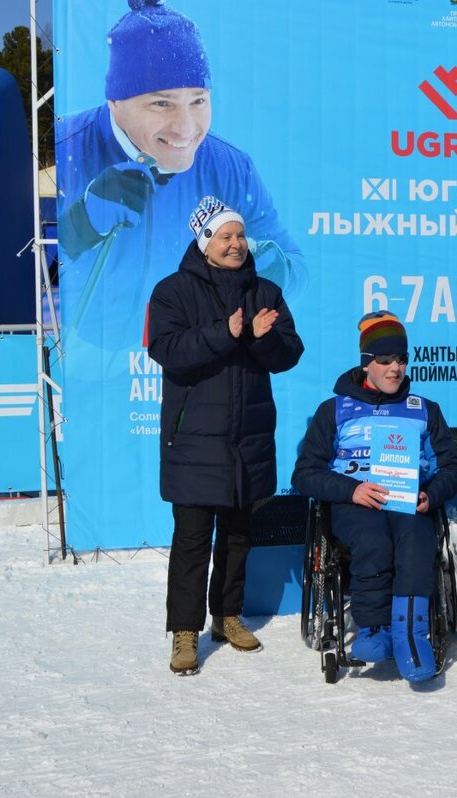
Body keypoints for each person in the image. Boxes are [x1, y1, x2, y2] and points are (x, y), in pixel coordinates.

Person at [57, 0, 306, 342]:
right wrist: (80, 224)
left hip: (202, 355)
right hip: (96, 371)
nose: (185, 128)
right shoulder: (68, 148)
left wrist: (271, 269)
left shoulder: (231, 166)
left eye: (198, 101)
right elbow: (30, 270)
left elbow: (297, 266)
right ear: (115, 102)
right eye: (162, 103)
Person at [147, 196, 305, 675]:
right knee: (192, 540)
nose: (236, 244)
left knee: (238, 536)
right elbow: (166, 349)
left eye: (239, 235)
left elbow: (289, 353)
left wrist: (261, 337)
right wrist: (227, 331)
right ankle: (185, 633)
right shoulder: (172, 291)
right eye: (225, 237)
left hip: (248, 439)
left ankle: (227, 617)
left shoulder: (267, 291)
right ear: (204, 242)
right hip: (194, 441)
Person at [293, 312, 457, 683]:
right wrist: (351, 489)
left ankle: (410, 635)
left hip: (407, 501)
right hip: (355, 503)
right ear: (366, 363)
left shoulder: (424, 411)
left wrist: (430, 494)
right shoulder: (334, 410)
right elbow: (305, 474)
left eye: (401, 359)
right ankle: (374, 629)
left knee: (417, 539)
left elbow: (453, 469)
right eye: (385, 360)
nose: (395, 368)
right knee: (372, 539)